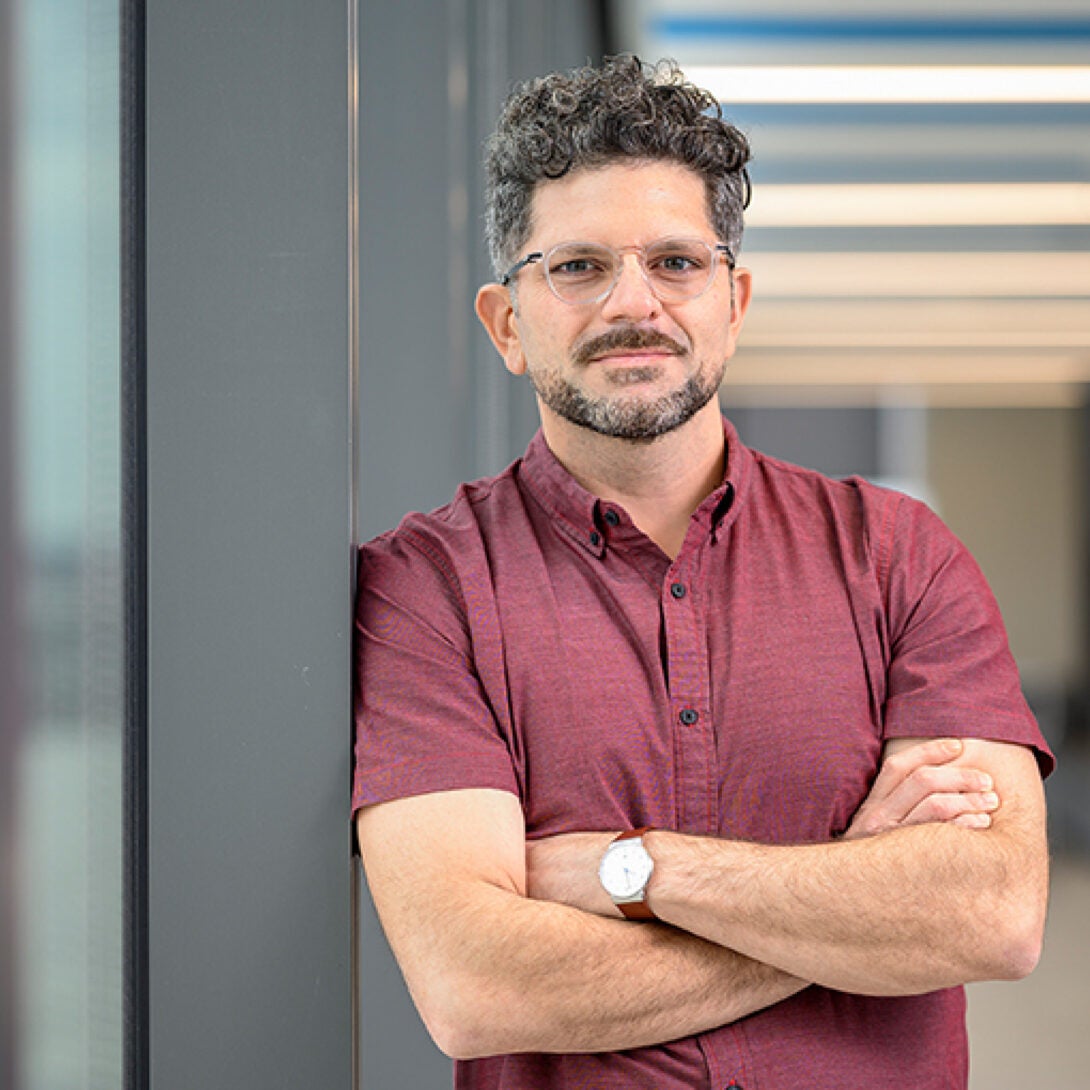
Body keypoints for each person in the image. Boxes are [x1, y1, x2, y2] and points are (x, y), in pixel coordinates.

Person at [352, 55, 1053, 1089]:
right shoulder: (427, 588)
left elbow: (990, 914)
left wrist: (623, 870)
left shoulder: (899, 555)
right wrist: (856, 906)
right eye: (578, 267)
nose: (634, 304)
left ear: (734, 298)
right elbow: (476, 987)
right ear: (507, 323)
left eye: (676, 262)